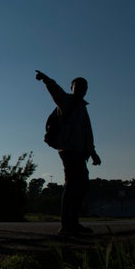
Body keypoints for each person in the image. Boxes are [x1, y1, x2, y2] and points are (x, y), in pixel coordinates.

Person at [35, 70, 101, 237]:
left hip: (80, 152)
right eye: (77, 86)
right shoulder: (66, 101)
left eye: (84, 86)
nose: (81, 88)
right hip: (69, 151)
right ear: (71, 87)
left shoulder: (81, 106)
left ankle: (73, 222)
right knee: (72, 185)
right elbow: (54, 90)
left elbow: (86, 133)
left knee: (82, 186)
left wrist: (93, 153)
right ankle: (67, 225)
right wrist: (46, 79)